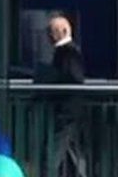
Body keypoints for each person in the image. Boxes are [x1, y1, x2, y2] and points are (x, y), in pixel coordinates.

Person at [35, 13, 86, 177]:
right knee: (71, 154)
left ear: (63, 31)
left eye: (52, 31)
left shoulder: (69, 52)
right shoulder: (67, 52)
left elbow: (74, 78)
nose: (49, 36)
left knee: (51, 155)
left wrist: (52, 80)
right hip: (67, 111)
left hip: (66, 112)